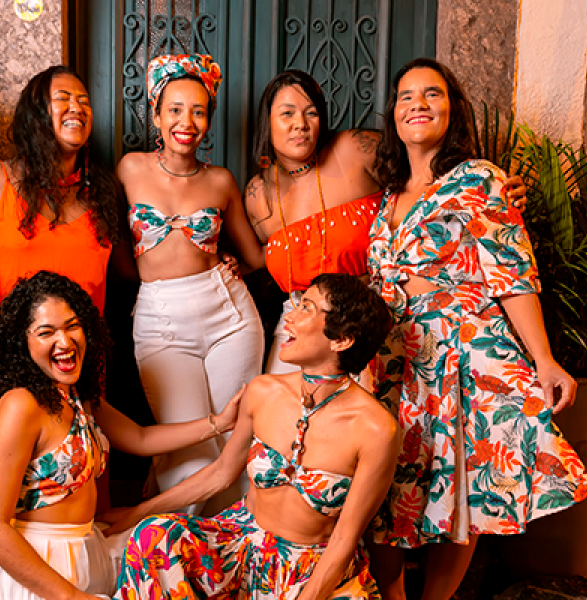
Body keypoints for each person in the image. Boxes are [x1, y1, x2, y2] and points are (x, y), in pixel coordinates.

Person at [366, 57, 587, 600]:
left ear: (453, 109)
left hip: (463, 353)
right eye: (406, 96)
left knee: (461, 488)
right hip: (397, 358)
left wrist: (543, 359)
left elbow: (512, 272)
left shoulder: (479, 179)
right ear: (393, 114)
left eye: (432, 94)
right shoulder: (389, 196)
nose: (418, 103)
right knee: (385, 488)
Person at [104, 273, 398, 599]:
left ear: (341, 339)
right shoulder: (263, 392)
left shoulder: (375, 429)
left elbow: (346, 537)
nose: (290, 317)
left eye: (308, 309)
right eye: (297, 306)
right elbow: (220, 474)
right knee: (154, 535)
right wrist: (136, 513)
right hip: (240, 541)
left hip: (309, 565)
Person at [0, 270, 243, 599]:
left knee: (172, 543)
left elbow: (141, 439)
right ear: (22, 343)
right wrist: (72, 597)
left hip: (87, 551)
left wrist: (220, 422)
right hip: (37, 570)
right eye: (46, 332)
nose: (65, 342)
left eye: (72, 326)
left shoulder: (77, 397)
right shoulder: (20, 405)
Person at [243, 70, 528, 374]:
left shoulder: (354, 149)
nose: (300, 124)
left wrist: (494, 189)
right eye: (287, 114)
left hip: (375, 317)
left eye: (311, 112)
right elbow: (261, 257)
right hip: (300, 322)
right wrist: (220, 259)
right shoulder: (257, 194)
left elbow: (430, 175)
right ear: (267, 121)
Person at [117, 53, 265, 514]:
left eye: (199, 111)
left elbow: (255, 258)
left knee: (238, 447)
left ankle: (234, 563)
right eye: (176, 109)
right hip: (162, 321)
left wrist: (229, 262)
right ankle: (179, 565)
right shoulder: (129, 169)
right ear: (156, 114)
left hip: (230, 316)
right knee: (188, 464)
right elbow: (113, 251)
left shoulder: (221, 180)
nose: (187, 121)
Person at [0, 65, 133, 312]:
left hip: (82, 347)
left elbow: (128, 277)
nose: (77, 108)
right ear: (36, 114)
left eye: (83, 101)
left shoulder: (105, 192)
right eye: (63, 98)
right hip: (7, 347)